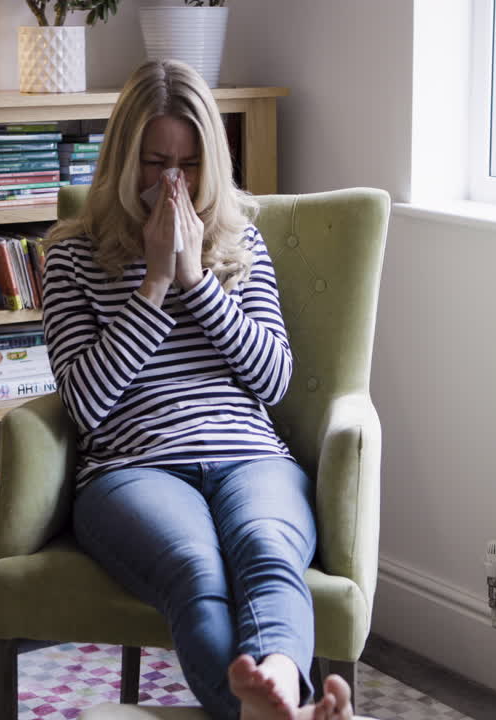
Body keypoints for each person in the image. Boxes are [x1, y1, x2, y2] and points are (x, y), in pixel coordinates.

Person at [41, 59, 353, 720]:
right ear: (125, 161)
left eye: (189, 165)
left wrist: (196, 282)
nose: (173, 184)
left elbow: (272, 379)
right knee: (196, 570)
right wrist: (153, 286)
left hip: (249, 454)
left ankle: (273, 690)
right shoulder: (71, 256)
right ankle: (281, 711)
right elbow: (86, 406)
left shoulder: (242, 245)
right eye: (155, 163)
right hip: (131, 468)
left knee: (269, 551)